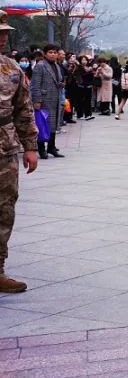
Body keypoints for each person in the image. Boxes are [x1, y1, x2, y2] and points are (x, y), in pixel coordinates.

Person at [0, 16, 39, 293]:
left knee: (4, 208)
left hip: (5, 146)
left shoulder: (11, 68)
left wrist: (31, 146)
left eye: (5, 32)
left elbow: (24, 109)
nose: (2, 37)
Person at [30, 43, 66, 158]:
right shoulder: (40, 65)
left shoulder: (56, 65)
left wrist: (61, 84)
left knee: (53, 124)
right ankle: (41, 149)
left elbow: (57, 80)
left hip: (55, 98)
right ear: (45, 54)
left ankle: (52, 147)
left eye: (55, 52)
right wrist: (36, 100)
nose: (53, 54)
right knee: (42, 124)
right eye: (50, 52)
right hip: (44, 99)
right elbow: (34, 85)